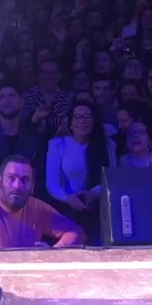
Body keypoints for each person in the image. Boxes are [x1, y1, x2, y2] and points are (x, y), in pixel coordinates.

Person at [45, 100, 115, 242]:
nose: (82, 121)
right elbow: (52, 182)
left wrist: (93, 193)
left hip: (99, 209)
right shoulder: (58, 144)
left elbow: (112, 178)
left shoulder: (107, 145)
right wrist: (67, 198)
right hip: (66, 208)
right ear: (70, 122)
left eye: (87, 116)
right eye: (77, 117)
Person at [0, 155, 84, 250]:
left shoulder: (37, 208)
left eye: (25, 180)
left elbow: (76, 233)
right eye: (11, 178)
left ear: (32, 186)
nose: (17, 186)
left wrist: (54, 252)